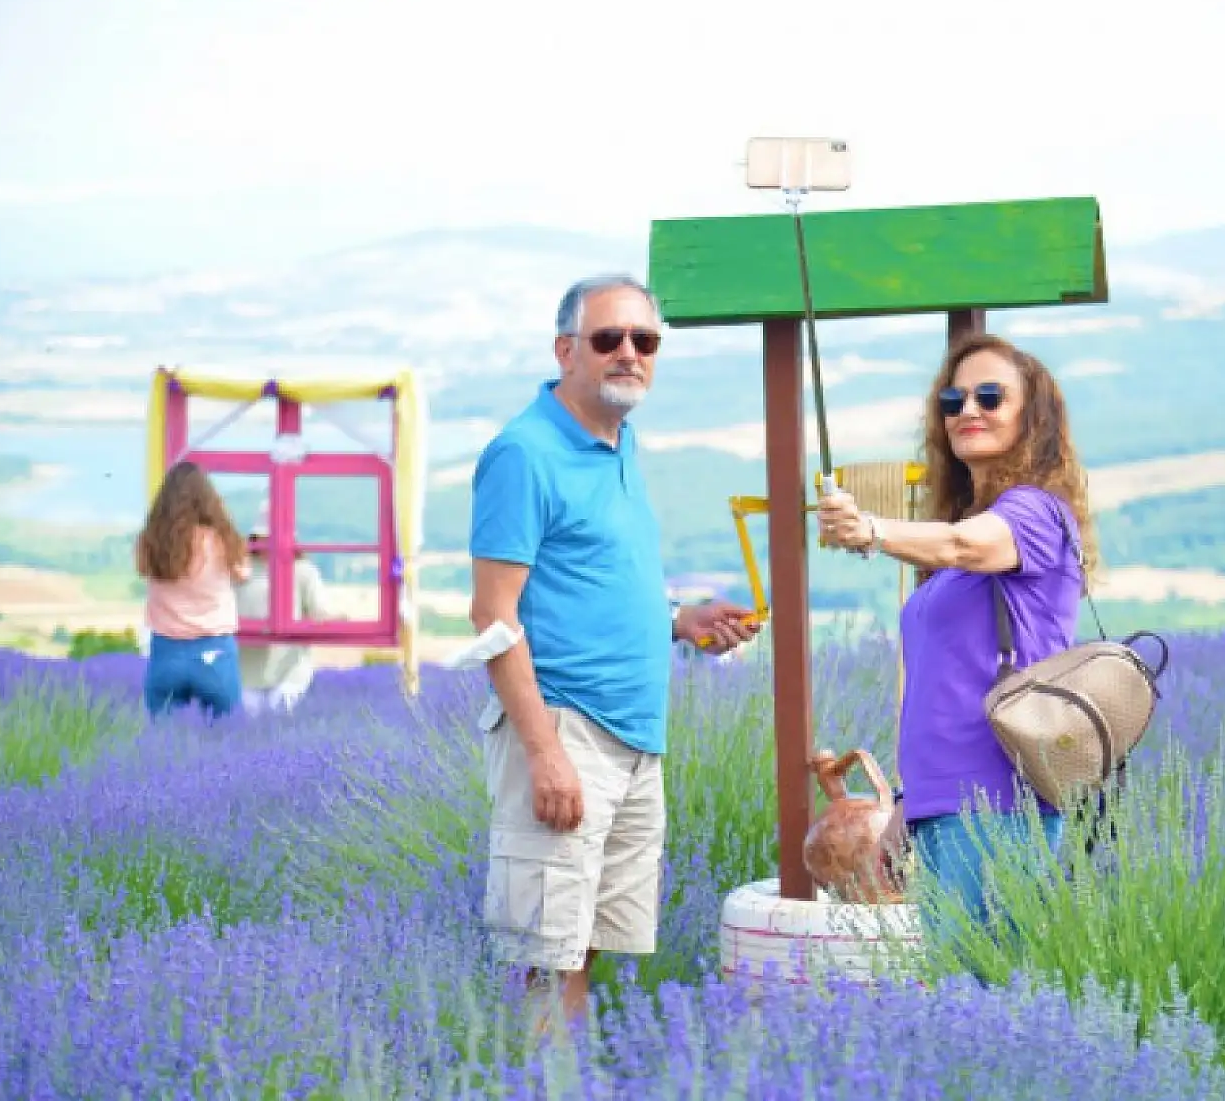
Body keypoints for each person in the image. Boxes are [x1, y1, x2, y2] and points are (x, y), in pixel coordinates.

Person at [469, 273, 762, 1025]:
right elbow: (492, 616)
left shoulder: (619, 440)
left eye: (645, 340)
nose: (629, 353)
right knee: (546, 952)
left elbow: (585, 580)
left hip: (634, 741)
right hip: (567, 729)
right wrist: (543, 751)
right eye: (609, 339)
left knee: (586, 944)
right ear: (567, 349)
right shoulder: (525, 453)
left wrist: (677, 619)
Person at [815, 331, 1100, 939]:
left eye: (991, 396)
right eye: (954, 400)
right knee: (964, 1000)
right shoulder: (966, 531)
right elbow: (944, 685)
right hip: (948, 809)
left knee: (991, 998)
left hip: (1001, 805)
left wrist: (869, 528)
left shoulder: (1035, 512)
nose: (968, 410)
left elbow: (965, 546)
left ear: (1034, 417)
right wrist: (907, 804)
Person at [134, 460, 252, 720]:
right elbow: (244, 573)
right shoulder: (221, 540)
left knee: (164, 743)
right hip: (215, 649)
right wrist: (223, 518)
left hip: (166, 651)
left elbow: (142, 570)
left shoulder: (152, 540)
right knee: (228, 739)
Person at [234, 503, 342, 715]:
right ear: (254, 538)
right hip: (245, 674)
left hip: (289, 673)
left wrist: (335, 620)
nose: (269, 543)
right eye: (264, 537)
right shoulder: (239, 571)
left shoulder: (304, 572)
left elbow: (319, 611)